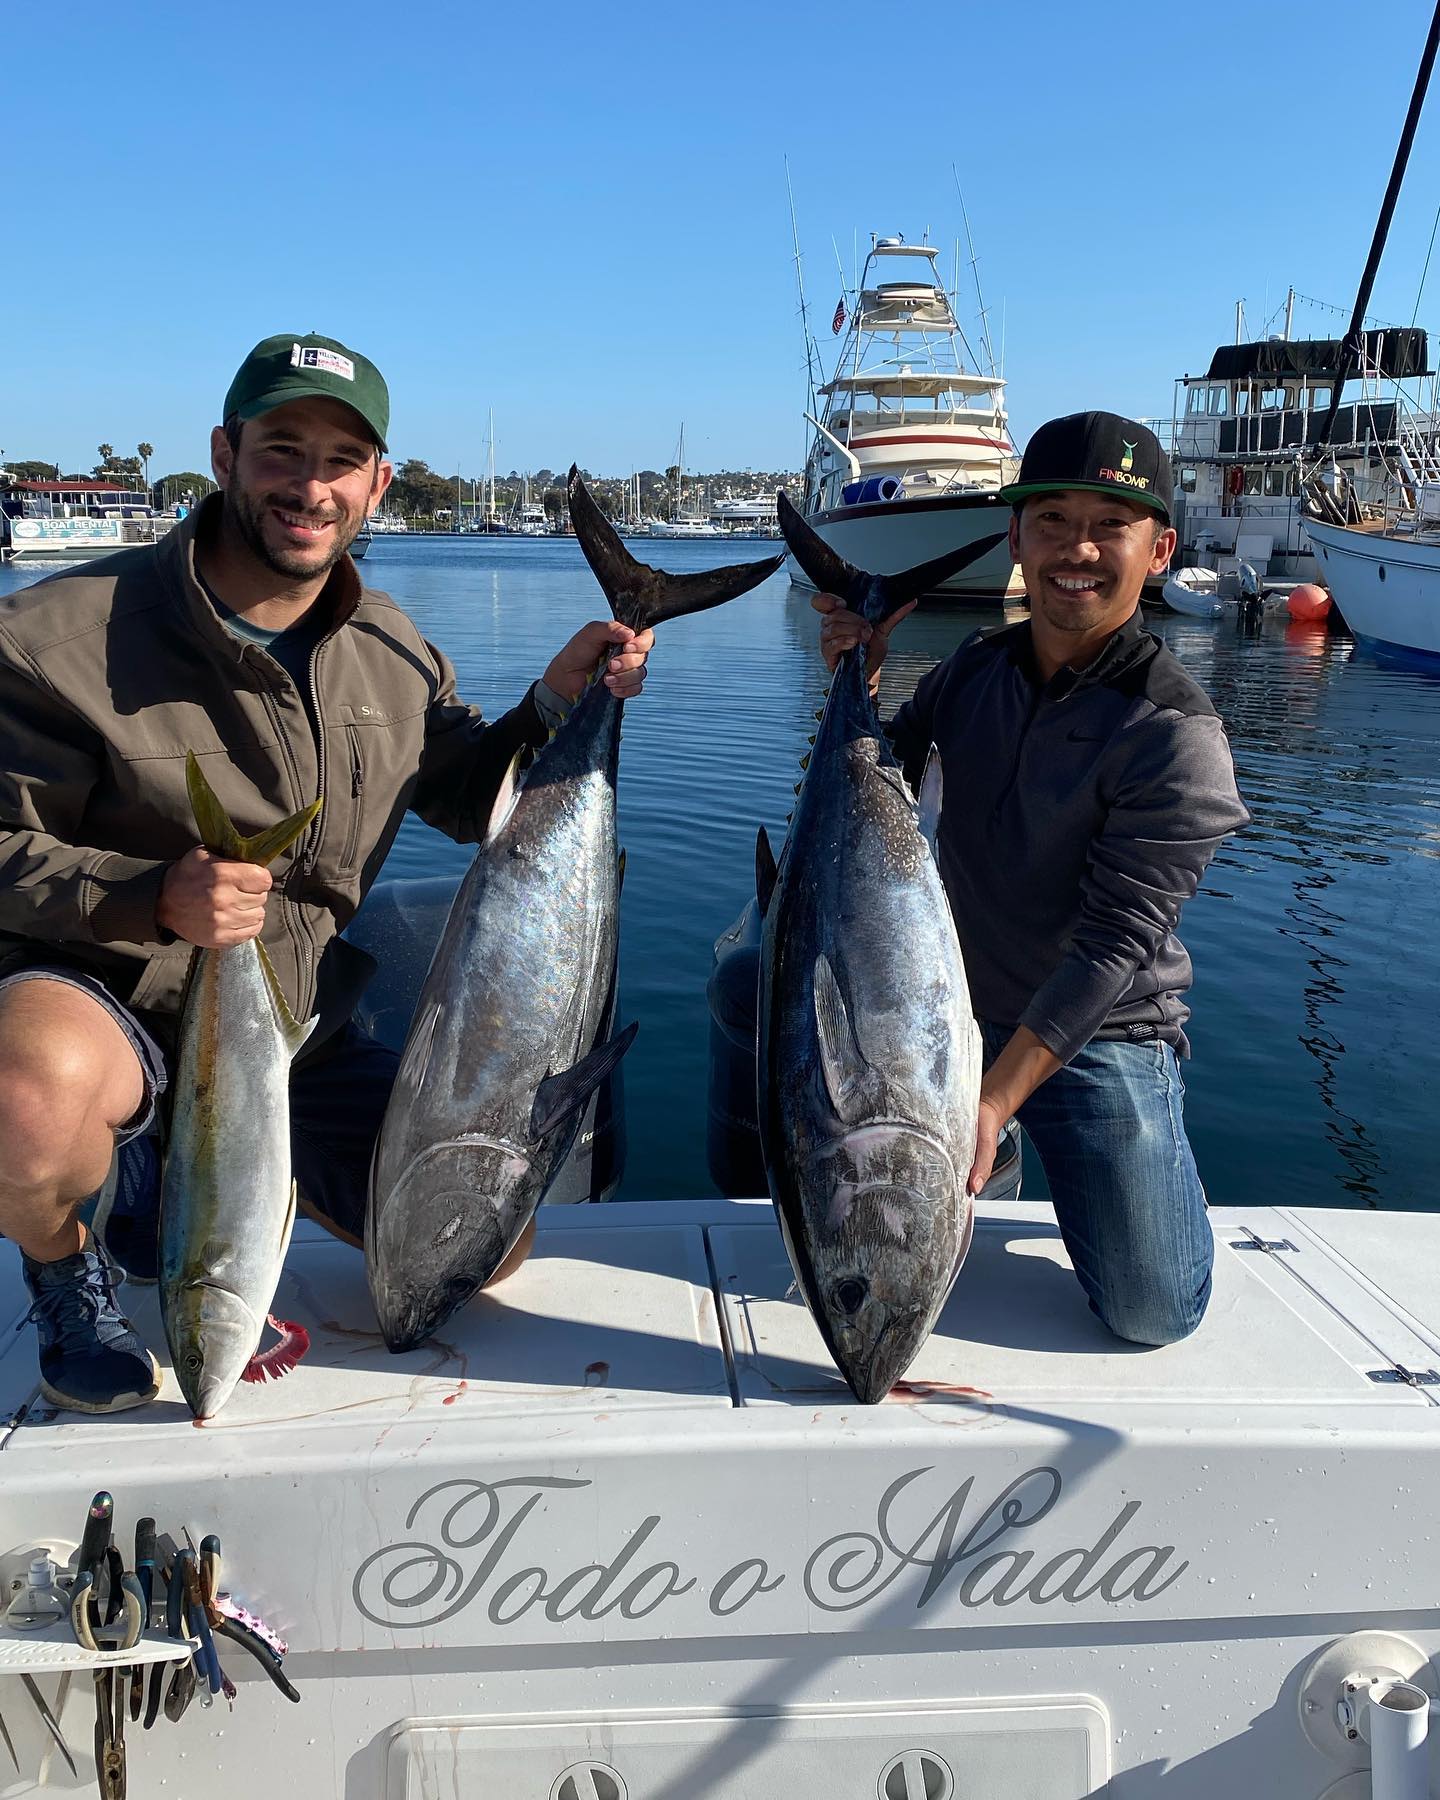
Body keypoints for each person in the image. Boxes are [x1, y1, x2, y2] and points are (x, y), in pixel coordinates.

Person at [0, 333, 653, 1413]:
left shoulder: (392, 648)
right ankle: (72, 1273)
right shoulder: (51, 635)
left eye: (341, 460)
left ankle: (205, 1193)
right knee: (26, 1099)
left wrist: (555, 705)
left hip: (298, 1021)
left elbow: (456, 794)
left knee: (480, 1252)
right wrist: (145, 895)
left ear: (377, 482)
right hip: (110, 1000)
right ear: (225, 453)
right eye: (281, 449)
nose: (310, 485)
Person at [814, 412, 1250, 1347]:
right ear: (1016, 538)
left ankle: (1046, 1146)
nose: (1076, 549)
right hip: (952, 1010)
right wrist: (860, 675)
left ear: (1160, 549)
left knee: (1152, 1310)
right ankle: (991, 1154)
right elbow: (876, 790)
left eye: (1110, 524)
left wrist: (992, 1100)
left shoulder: (1175, 735)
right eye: (1051, 520)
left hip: (1101, 1030)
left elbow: (1112, 949)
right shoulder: (974, 669)